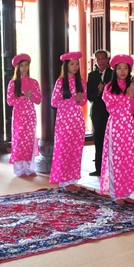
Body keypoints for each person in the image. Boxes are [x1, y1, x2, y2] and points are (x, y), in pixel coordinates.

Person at [100, 54, 134, 203]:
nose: (123, 71)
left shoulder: (130, 87)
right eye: (119, 68)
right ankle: (116, 193)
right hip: (115, 126)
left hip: (128, 126)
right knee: (115, 159)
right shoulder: (109, 87)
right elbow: (113, 109)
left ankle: (126, 192)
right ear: (114, 70)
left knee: (127, 159)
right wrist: (127, 97)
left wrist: (130, 97)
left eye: (125, 68)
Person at [49, 51, 87, 191]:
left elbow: (83, 101)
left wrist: (80, 99)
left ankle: (72, 179)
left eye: (77, 64)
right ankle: (64, 181)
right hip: (64, 121)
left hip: (77, 121)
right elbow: (54, 102)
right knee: (64, 150)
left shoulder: (80, 82)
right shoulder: (60, 82)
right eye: (72, 64)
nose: (75, 67)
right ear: (66, 66)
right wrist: (72, 100)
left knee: (76, 150)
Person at [7, 53, 41, 178]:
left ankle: (29, 168)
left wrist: (32, 95)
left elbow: (38, 100)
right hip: (19, 116)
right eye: (22, 65)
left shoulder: (34, 82)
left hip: (30, 115)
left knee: (30, 140)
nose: (24, 68)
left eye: (26, 65)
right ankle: (19, 169)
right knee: (19, 141)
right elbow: (10, 101)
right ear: (17, 67)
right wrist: (23, 97)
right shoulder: (13, 83)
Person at [87, 49, 113, 176]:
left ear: (108, 60)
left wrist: (106, 91)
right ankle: (99, 168)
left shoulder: (113, 74)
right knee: (98, 138)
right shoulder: (92, 75)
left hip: (110, 111)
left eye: (103, 58)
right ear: (96, 61)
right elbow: (89, 96)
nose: (101, 61)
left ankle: (111, 167)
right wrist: (98, 91)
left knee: (111, 139)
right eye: (98, 59)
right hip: (97, 110)